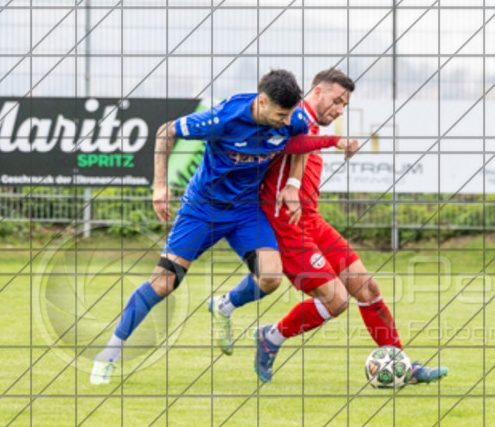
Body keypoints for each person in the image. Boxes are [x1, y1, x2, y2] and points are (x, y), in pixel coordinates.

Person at [91, 69, 309, 385]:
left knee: (271, 277)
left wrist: (292, 183)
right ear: (261, 102)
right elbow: (165, 132)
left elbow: (301, 141)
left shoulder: (293, 118)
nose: (287, 121)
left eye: (290, 115)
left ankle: (225, 306)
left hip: (245, 212)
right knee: (164, 283)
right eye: (280, 115)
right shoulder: (222, 118)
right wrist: (160, 185)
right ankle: (109, 353)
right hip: (202, 208)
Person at [249, 68, 449, 384]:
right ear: (316, 92)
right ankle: (271, 338)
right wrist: (333, 143)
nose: (340, 109)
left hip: (311, 220)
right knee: (337, 299)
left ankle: (401, 366)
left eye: (345, 104)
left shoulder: (309, 124)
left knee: (367, 288)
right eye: (337, 100)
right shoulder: (290, 118)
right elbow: (287, 144)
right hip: (284, 224)